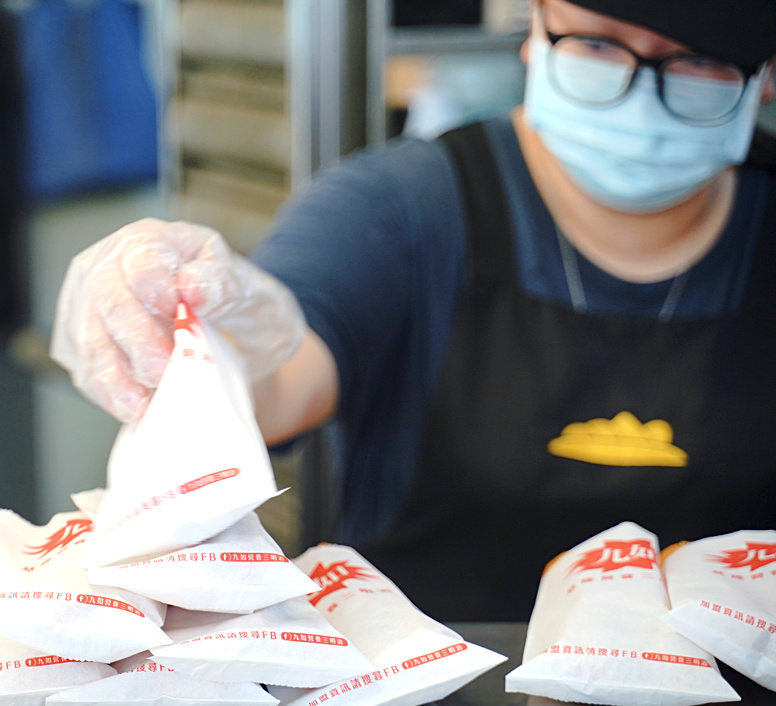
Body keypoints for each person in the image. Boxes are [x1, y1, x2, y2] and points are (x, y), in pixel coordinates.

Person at [51, 0, 776, 621]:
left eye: (696, 61)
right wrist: (210, 340)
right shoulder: (403, 209)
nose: (636, 88)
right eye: (595, 44)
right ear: (534, 32)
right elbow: (273, 392)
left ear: (763, 81)